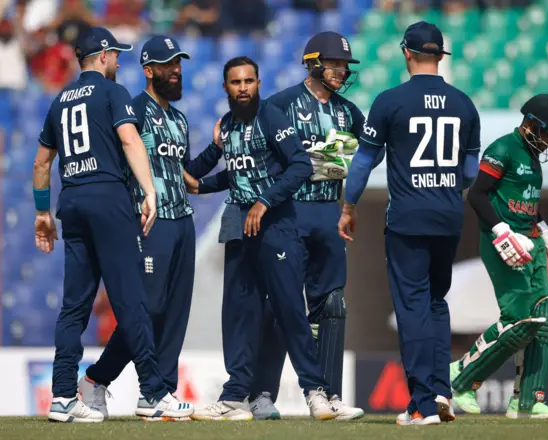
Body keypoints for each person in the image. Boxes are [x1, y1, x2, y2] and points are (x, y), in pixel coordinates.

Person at [33, 26, 194, 423]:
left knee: (74, 306)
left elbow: (41, 163)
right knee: (132, 301)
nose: (120, 61)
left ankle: (62, 397)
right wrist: (149, 190)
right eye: (116, 55)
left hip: (70, 201)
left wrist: (41, 213)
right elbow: (130, 141)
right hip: (108, 199)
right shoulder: (113, 92)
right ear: (102, 56)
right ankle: (154, 393)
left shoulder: (59, 101)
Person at [338, 21, 481, 425]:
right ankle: (440, 392)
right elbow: (469, 170)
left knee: (412, 307)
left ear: (406, 54)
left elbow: (364, 162)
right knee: (437, 304)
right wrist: (447, 185)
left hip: (407, 218)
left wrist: (348, 207)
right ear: (439, 56)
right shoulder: (464, 104)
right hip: (449, 215)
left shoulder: (389, 101)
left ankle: (421, 403)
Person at [77, 35, 223, 421]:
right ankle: (95, 379)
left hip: (183, 222)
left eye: (179, 63)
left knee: (174, 313)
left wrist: (219, 150)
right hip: (148, 224)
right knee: (147, 309)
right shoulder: (132, 109)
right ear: (148, 70)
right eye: (168, 64)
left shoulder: (178, 118)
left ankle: (160, 394)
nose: (176, 70)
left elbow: (187, 175)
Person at [186, 56, 337, 421]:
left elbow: (300, 164)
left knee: (288, 310)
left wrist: (264, 202)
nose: (242, 88)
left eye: (249, 81)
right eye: (236, 82)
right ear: (225, 88)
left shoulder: (270, 116)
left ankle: (315, 393)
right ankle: (235, 396)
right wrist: (200, 181)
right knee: (238, 313)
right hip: (239, 228)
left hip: (276, 226)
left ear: (258, 83)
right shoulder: (228, 127)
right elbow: (230, 173)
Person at [246, 31, 368, 421]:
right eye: (334, 64)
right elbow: (256, 156)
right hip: (288, 214)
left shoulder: (350, 112)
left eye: (345, 65)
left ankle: (330, 397)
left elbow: (365, 157)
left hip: (328, 213)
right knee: (282, 305)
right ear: (313, 63)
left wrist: (348, 201)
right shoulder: (280, 104)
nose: (341, 71)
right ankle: (261, 394)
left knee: (332, 304)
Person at [449, 93, 548, 420]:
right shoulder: (502, 149)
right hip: (502, 242)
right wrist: (501, 231)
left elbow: (524, 199)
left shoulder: (531, 156)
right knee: (517, 318)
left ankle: (528, 400)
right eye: (547, 134)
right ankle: (461, 377)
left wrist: (543, 226)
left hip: (531, 240)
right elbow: (476, 195)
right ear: (532, 124)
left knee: (542, 317)